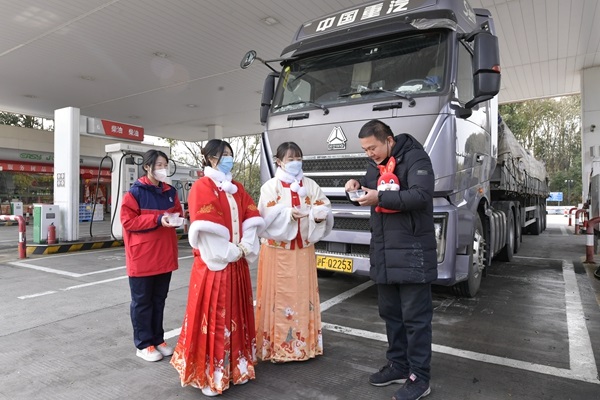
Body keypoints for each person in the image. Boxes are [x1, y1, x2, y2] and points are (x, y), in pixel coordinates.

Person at [344, 119, 437, 400]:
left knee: (415, 319)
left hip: (411, 252)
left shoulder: (416, 157)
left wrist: (378, 197)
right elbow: (372, 197)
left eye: (372, 147)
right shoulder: (374, 166)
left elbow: (420, 196)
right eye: (365, 150)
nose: (369, 154)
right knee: (391, 315)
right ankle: (398, 364)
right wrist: (354, 190)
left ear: (389, 139)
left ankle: (420, 378)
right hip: (383, 252)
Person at [170, 139, 264, 397]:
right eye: (224, 154)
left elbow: (251, 218)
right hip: (215, 267)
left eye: (230, 154)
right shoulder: (202, 186)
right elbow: (206, 230)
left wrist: (245, 245)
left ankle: (237, 367)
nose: (228, 158)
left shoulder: (236, 188)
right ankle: (211, 375)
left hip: (237, 264)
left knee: (237, 315)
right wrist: (232, 252)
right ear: (211, 158)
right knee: (214, 319)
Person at [255, 142, 333, 363]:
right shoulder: (270, 186)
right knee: (277, 296)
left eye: (298, 158)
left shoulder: (310, 184)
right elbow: (265, 217)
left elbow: (323, 205)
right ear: (279, 161)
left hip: (303, 250)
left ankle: (302, 344)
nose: (295, 162)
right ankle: (275, 346)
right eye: (290, 159)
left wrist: (318, 216)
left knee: (302, 296)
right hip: (277, 251)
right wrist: (288, 214)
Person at [120, 149, 183, 362]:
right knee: (142, 302)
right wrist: (157, 220)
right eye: (158, 165)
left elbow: (177, 213)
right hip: (143, 256)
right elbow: (128, 222)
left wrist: (177, 219)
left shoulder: (170, 192)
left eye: (165, 164)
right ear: (147, 167)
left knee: (159, 300)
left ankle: (158, 339)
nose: (162, 169)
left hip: (164, 255)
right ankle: (143, 343)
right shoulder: (134, 193)